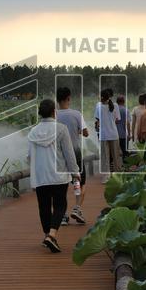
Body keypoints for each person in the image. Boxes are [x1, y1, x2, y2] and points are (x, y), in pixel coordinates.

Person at [28, 99, 79, 252]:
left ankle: (48, 236)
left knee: (43, 207)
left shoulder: (33, 132)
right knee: (60, 205)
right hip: (59, 175)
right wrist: (75, 172)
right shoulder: (61, 129)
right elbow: (69, 154)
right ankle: (52, 235)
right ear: (53, 112)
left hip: (40, 176)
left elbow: (30, 156)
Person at [55, 86, 89, 225]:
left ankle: (62, 215)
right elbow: (86, 133)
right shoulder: (76, 114)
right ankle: (77, 208)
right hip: (75, 152)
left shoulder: (54, 115)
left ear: (57, 99)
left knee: (61, 185)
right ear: (69, 98)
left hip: (59, 154)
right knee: (79, 182)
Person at [94, 88, 123, 176]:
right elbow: (117, 120)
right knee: (116, 157)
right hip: (114, 134)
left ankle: (105, 177)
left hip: (103, 135)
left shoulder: (98, 106)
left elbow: (97, 120)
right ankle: (118, 176)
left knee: (105, 157)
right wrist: (111, 122)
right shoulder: (115, 105)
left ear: (101, 97)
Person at [115, 94, 129, 160]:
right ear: (124, 101)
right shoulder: (125, 110)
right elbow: (127, 123)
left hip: (114, 135)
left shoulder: (113, 110)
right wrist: (129, 134)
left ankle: (115, 167)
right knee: (125, 152)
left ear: (117, 101)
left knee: (115, 152)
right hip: (123, 134)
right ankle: (125, 167)